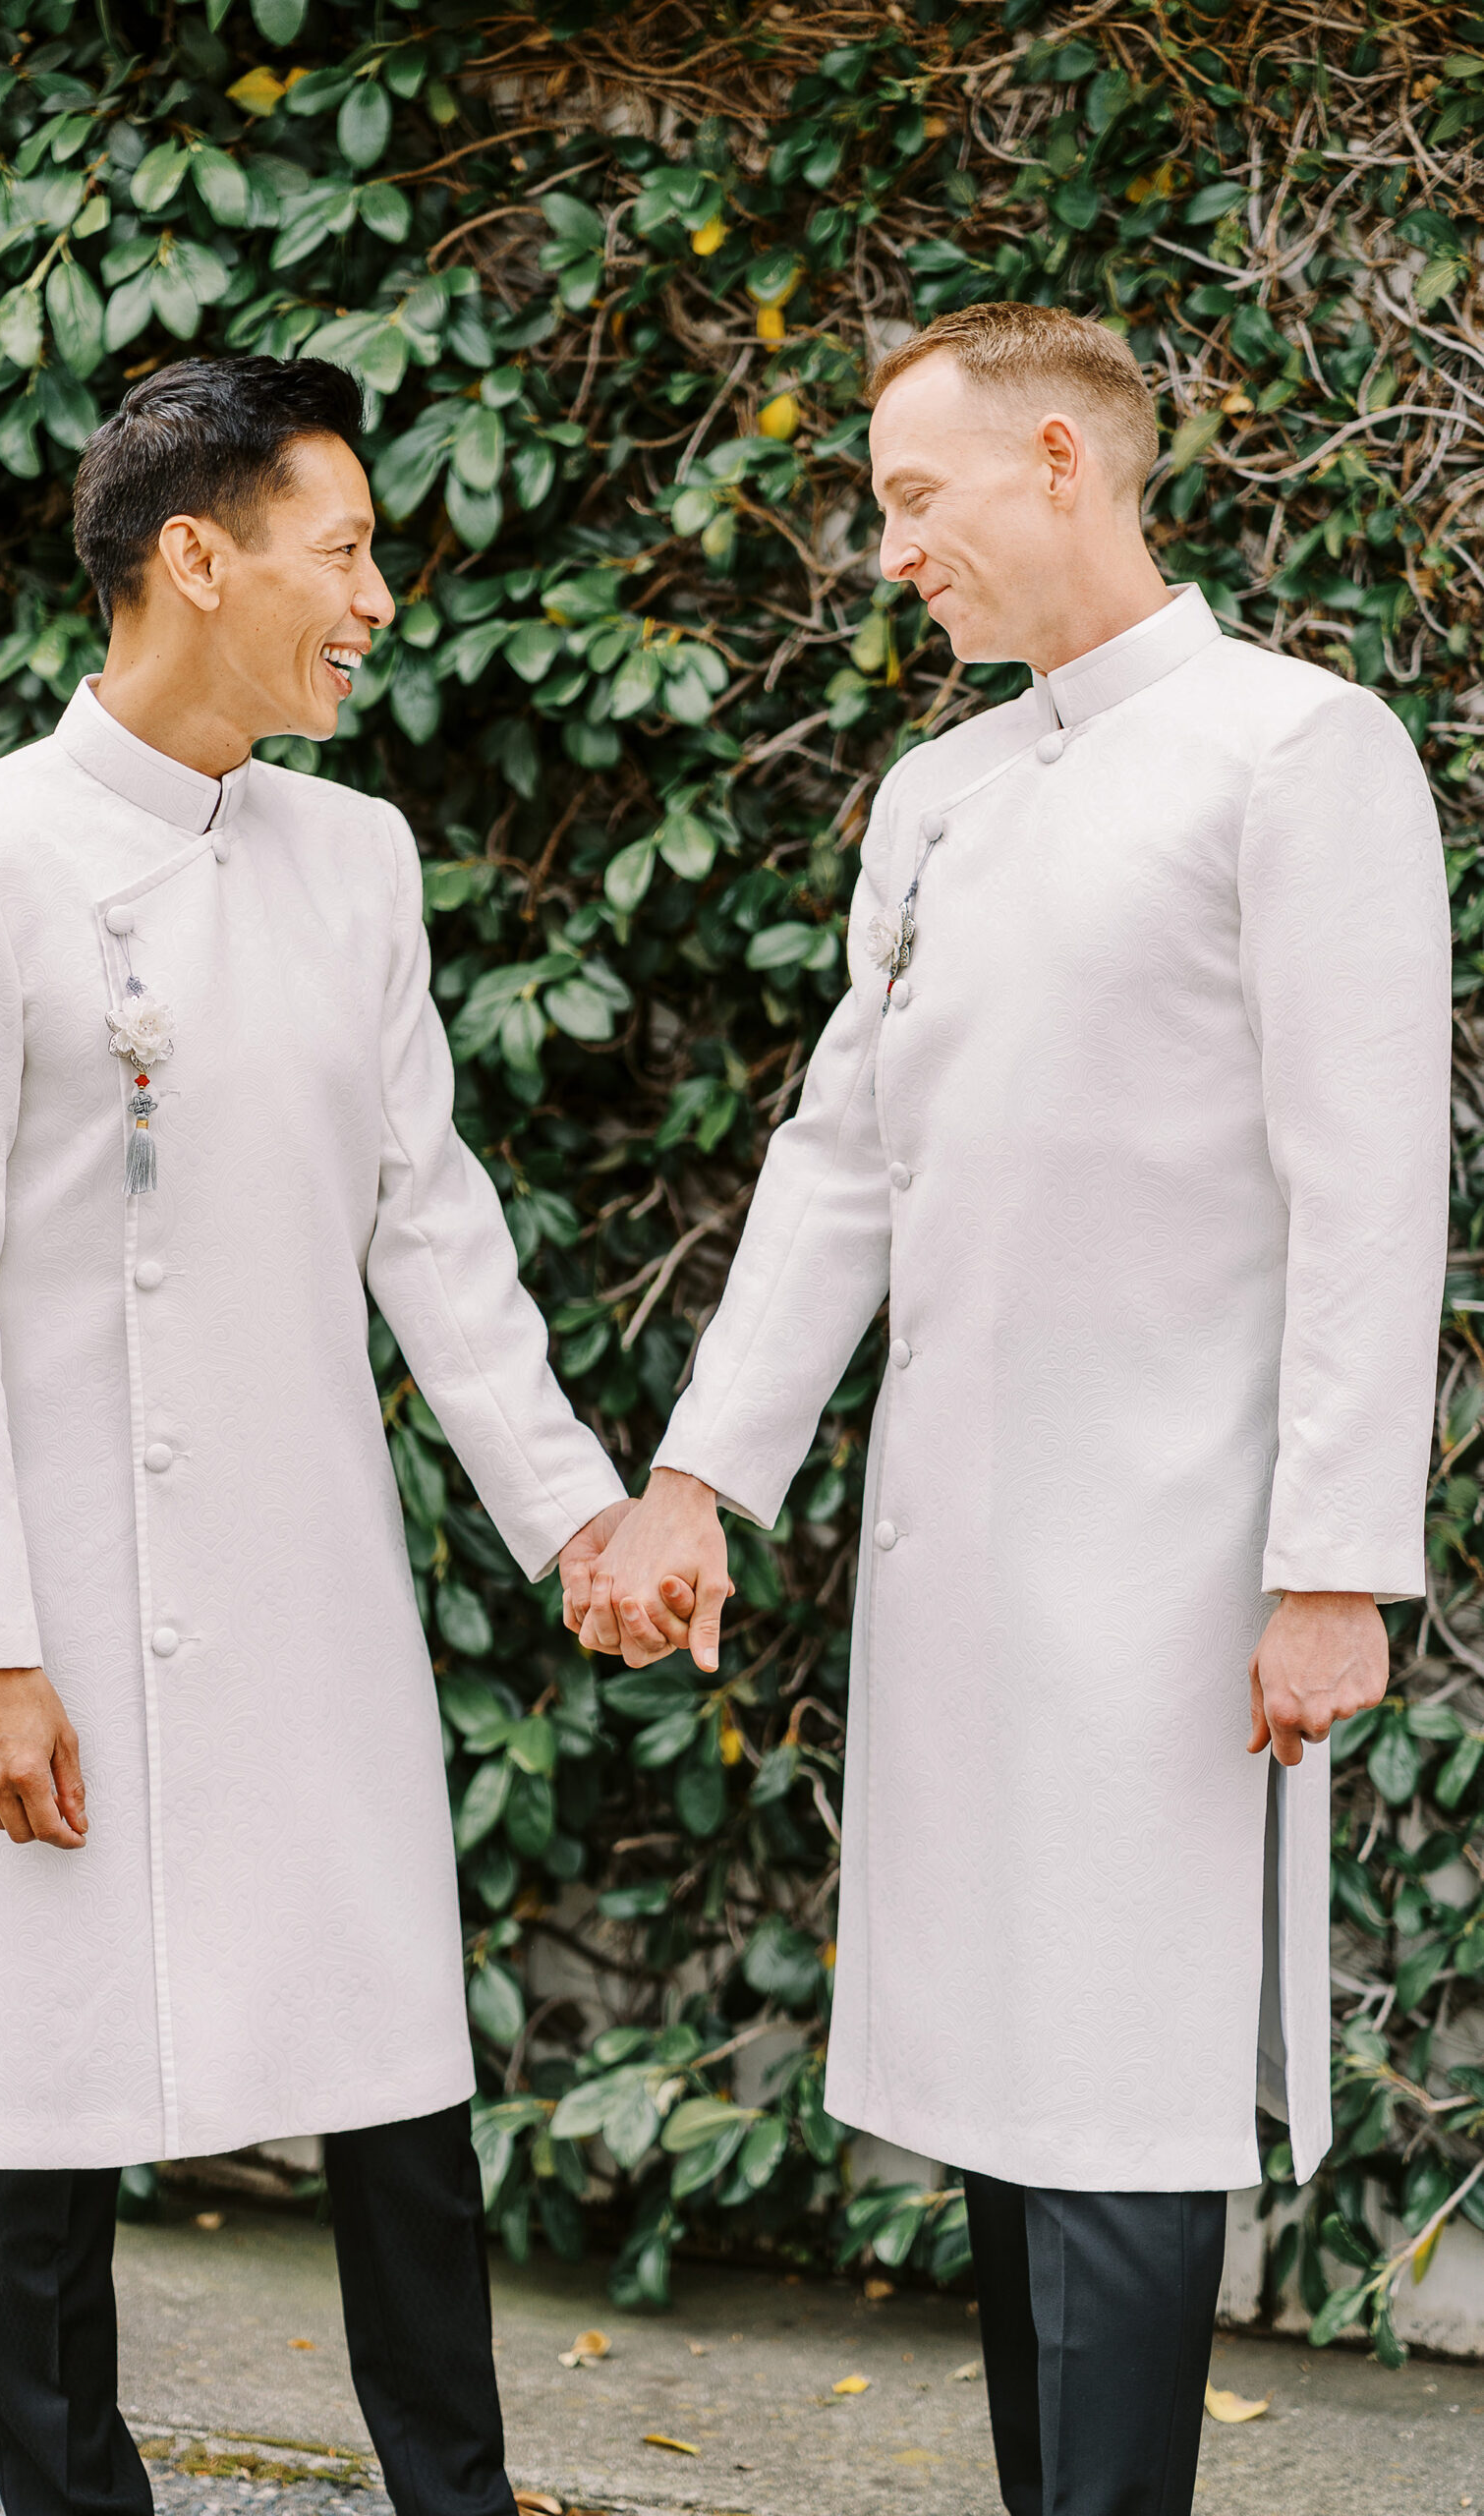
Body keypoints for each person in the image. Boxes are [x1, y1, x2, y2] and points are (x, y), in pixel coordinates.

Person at [566, 302, 1451, 2516]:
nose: (892, 551)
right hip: (952, 1548)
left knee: (1120, 2093)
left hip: (1172, 1557)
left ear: (1059, 460)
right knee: (998, 2091)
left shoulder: (1295, 747)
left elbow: (1369, 1184)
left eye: (913, 497)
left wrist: (1332, 1564)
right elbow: (836, 1158)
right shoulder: (934, 793)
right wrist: (697, 1479)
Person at [0, 355, 631, 2516]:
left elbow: (428, 1217)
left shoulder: (354, 854)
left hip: (305, 1564)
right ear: (198, 553)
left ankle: (452, 2500)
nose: (380, 596)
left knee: (395, 2091)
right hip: (66, 1581)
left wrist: (574, 1510)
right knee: (50, 2116)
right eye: (348, 545)